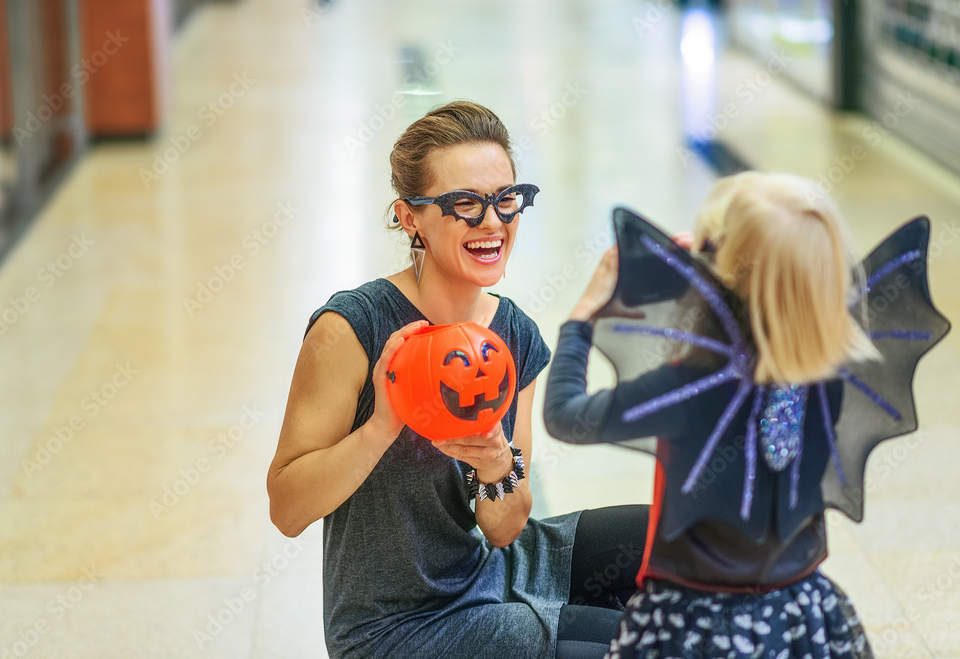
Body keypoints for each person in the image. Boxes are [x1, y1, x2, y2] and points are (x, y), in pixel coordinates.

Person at [267, 100, 649, 659]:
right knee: (641, 644)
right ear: (409, 217)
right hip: (394, 628)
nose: (492, 223)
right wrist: (380, 426)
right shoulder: (351, 328)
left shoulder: (513, 334)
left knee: (681, 546)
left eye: (506, 200)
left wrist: (496, 465)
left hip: (495, 568)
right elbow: (286, 509)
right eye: (465, 204)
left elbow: (503, 530)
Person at [544, 172, 948, 658]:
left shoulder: (690, 387)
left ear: (722, 272)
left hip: (695, 624)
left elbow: (566, 415)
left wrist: (582, 316)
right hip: (799, 611)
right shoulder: (834, 372)